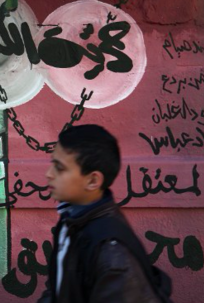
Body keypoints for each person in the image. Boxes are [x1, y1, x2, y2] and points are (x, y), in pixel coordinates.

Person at [38, 124, 173, 303]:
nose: (49, 174)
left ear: (93, 180)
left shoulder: (111, 254)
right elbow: (59, 288)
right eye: (52, 164)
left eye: (60, 168)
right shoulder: (71, 220)